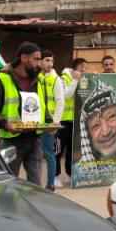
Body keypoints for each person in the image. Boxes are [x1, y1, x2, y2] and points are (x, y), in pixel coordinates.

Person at [0, 42, 47, 184]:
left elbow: (42, 106)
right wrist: (5, 124)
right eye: (36, 59)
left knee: (35, 184)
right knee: (9, 183)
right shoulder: (3, 79)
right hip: (12, 140)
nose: (39, 63)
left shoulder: (39, 79)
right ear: (24, 58)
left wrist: (49, 124)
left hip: (34, 139)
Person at [74, 79, 116, 185]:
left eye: (111, 117)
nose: (105, 132)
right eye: (95, 126)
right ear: (88, 136)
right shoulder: (80, 173)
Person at [56, 58, 85, 187]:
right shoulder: (63, 78)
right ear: (75, 68)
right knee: (58, 149)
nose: (84, 70)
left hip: (75, 120)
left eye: (85, 67)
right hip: (63, 120)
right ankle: (55, 176)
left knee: (72, 151)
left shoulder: (82, 78)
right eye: (82, 67)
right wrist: (74, 80)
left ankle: (70, 174)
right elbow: (66, 95)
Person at [40, 50, 65, 192]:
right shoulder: (37, 77)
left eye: (51, 61)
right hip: (35, 121)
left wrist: (56, 123)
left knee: (49, 153)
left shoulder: (56, 79)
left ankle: (50, 184)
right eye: (46, 60)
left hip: (49, 122)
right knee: (35, 153)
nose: (49, 63)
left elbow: (60, 102)